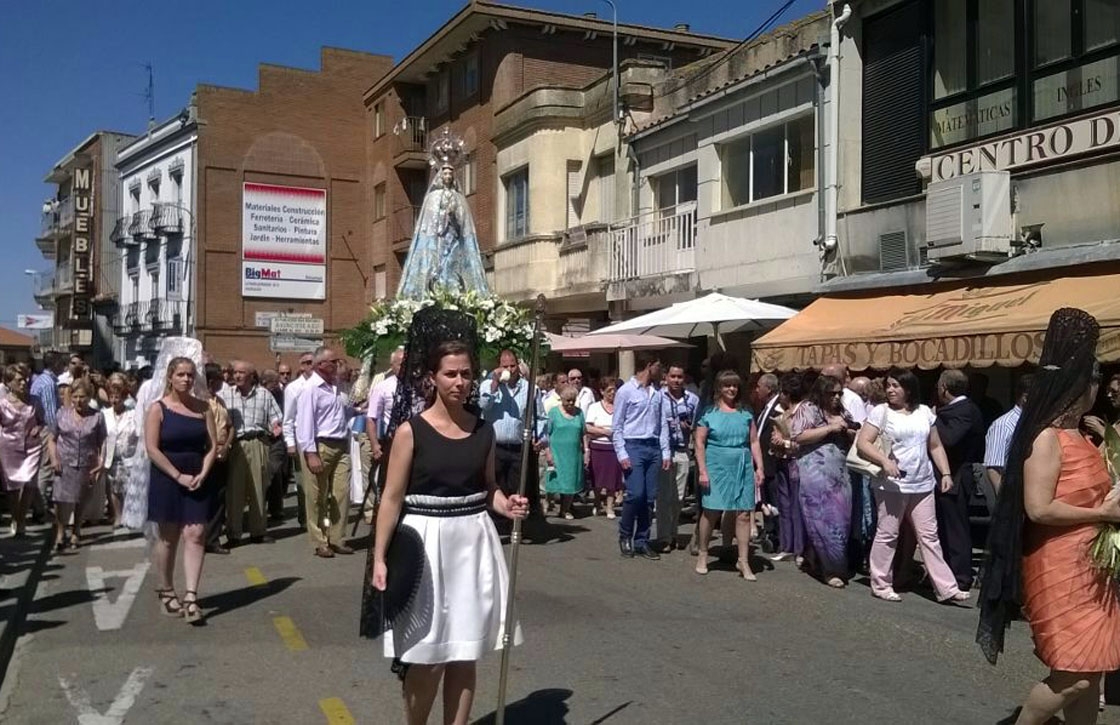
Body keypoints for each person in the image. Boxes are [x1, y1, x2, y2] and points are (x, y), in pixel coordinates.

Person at [371, 338, 527, 725]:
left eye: (466, 374)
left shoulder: (484, 431)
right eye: (451, 374)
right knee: (426, 656)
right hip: (424, 543)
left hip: (472, 543)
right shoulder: (411, 432)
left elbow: (489, 486)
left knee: (464, 651)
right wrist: (379, 556)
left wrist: (506, 504)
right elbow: (391, 498)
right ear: (433, 378)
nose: (460, 382)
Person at [978, 309, 1120, 724]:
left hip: (1092, 565)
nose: (1100, 389)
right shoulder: (1046, 438)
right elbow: (1038, 508)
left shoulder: (1082, 434)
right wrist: (1102, 511)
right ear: (1081, 385)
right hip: (1060, 565)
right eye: (1096, 381)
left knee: (1092, 671)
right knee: (1073, 675)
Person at [855, 368, 969, 604]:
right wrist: (884, 461)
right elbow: (863, 443)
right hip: (892, 485)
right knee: (888, 533)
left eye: (895, 386)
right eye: (888, 385)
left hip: (922, 482)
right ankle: (881, 583)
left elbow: (935, 446)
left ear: (908, 389)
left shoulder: (924, 412)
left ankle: (947, 588)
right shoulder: (880, 412)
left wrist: (945, 473)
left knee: (929, 536)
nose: (890, 390)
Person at [145, 357, 218, 624]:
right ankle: (165, 588)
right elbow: (152, 448)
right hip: (168, 475)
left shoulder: (204, 408)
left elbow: (212, 445)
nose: (186, 379)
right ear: (170, 377)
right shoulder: (158, 409)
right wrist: (177, 475)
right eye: (181, 375)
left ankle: (191, 596)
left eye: (190, 375)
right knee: (168, 536)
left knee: (196, 533)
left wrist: (203, 472)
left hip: (197, 475)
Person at [694, 370, 764, 579]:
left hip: (742, 465)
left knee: (743, 513)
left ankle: (743, 560)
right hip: (716, 464)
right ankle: (703, 552)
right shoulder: (709, 413)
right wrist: (703, 471)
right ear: (719, 388)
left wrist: (759, 467)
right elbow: (699, 443)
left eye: (734, 386)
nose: (731, 389)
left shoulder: (746, 413)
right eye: (727, 386)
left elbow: (753, 441)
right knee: (711, 511)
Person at [787, 375, 853, 588]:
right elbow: (797, 435)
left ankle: (816, 558)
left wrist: (848, 430)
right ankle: (830, 569)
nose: (836, 397)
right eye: (831, 393)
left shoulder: (841, 411)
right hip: (815, 475)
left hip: (840, 474)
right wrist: (829, 429)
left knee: (842, 520)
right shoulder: (809, 408)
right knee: (823, 521)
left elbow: (854, 430)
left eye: (839, 393)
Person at [296, 346, 354, 558]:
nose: (337, 364)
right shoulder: (311, 389)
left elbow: (340, 412)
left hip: (341, 444)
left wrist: (358, 409)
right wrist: (311, 453)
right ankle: (320, 540)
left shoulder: (337, 386)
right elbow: (304, 423)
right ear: (321, 365)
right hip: (320, 445)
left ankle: (337, 537)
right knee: (316, 496)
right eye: (333, 361)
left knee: (341, 493)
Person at [612, 352, 670, 560]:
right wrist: (621, 453)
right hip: (633, 445)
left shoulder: (658, 393)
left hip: (653, 446)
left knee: (649, 498)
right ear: (649, 366)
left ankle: (642, 540)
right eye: (659, 366)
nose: (661, 370)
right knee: (636, 493)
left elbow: (662, 423)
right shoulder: (626, 391)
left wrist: (666, 452)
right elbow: (617, 425)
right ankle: (625, 533)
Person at [219, 360, 282, 546]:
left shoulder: (264, 394)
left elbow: (276, 417)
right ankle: (234, 534)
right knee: (234, 490)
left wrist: (275, 427)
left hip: (257, 441)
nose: (237, 376)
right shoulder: (226, 394)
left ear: (251, 375)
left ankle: (258, 532)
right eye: (235, 372)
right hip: (235, 444)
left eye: (241, 372)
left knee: (258, 487)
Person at [933, 369, 986, 592]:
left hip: (956, 476)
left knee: (956, 529)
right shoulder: (961, 409)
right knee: (945, 527)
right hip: (950, 477)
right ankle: (946, 572)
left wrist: (934, 419)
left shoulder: (964, 411)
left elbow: (950, 439)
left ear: (944, 388)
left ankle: (960, 576)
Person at [479, 350, 543, 520]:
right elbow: (484, 406)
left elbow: (540, 416)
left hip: (518, 446)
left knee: (517, 486)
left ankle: (514, 521)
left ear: (518, 365)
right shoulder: (488, 385)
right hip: (494, 446)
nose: (509, 369)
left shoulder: (530, 389)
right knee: (494, 485)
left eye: (512, 365)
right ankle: (495, 522)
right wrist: (495, 383)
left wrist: (541, 437)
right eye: (504, 366)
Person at [46, 379, 105, 551]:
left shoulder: (97, 416)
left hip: (86, 463)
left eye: (83, 397)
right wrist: (54, 459)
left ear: (89, 398)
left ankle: (76, 530)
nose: (79, 401)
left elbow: (102, 442)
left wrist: (100, 462)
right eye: (76, 397)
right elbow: (52, 439)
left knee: (81, 499)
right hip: (64, 463)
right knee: (60, 500)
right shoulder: (61, 414)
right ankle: (60, 531)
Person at [0, 365, 45, 537]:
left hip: (32, 447)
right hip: (9, 448)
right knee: (12, 487)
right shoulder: (2, 403)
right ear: (9, 383)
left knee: (29, 484)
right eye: (18, 380)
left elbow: (42, 420)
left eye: (25, 378)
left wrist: (38, 429)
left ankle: (22, 520)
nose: (23, 383)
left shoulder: (34, 400)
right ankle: (15, 518)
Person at [658, 364, 699, 552]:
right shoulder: (658, 397)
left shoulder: (692, 399)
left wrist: (689, 427)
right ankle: (664, 537)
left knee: (679, 497)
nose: (676, 380)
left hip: (682, 450)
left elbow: (698, 426)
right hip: (663, 452)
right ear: (666, 377)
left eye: (679, 377)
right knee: (664, 496)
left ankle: (673, 533)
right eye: (673, 376)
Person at [769, 373, 807, 563]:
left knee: (796, 506)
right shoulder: (781, 413)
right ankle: (787, 546)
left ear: (787, 393)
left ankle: (800, 549)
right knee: (784, 504)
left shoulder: (804, 412)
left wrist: (783, 442)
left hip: (797, 462)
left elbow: (802, 442)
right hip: (781, 462)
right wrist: (775, 442)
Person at [29, 351, 66, 522]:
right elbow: (51, 413)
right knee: (45, 468)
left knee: (40, 469)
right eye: (61, 362)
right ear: (55, 364)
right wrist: (55, 433)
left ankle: (38, 506)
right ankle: (40, 509)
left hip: (38, 427)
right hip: (46, 429)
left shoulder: (39, 380)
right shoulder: (49, 384)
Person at [984, 374, 1033, 496]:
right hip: (1012, 494)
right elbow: (994, 467)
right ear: (1025, 398)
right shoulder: (1003, 425)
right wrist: (1004, 499)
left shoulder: (1034, 422)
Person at [201, 363, 233, 554]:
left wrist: (227, 445)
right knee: (206, 497)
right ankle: (202, 537)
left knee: (219, 497)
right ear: (212, 381)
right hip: (207, 453)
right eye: (221, 379)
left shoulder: (220, 401)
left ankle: (213, 539)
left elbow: (230, 426)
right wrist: (213, 449)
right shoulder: (201, 401)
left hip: (222, 451)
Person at [101, 375, 140, 529]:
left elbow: (138, 434)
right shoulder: (104, 414)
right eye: (111, 396)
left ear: (124, 397)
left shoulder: (133, 413)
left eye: (118, 397)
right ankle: (118, 516)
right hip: (112, 457)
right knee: (114, 488)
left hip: (129, 457)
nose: (114, 400)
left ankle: (132, 517)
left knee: (130, 489)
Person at [544, 385, 587, 520]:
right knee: (553, 481)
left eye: (573, 400)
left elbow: (583, 433)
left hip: (573, 454)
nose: (570, 403)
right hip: (557, 452)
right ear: (561, 399)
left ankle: (565, 509)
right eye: (568, 400)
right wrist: (548, 452)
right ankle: (547, 502)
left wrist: (586, 450)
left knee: (570, 482)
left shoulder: (579, 413)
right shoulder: (553, 413)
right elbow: (546, 434)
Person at [282, 351, 316, 527]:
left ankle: (318, 517)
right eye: (308, 362)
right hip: (301, 437)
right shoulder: (294, 388)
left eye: (314, 362)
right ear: (302, 365)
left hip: (319, 437)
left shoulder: (323, 385)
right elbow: (288, 418)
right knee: (303, 482)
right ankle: (305, 518)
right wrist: (290, 443)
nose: (311, 365)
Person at [753, 373, 783, 554]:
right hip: (763, 464)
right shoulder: (765, 408)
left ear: (768, 389)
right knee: (766, 503)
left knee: (774, 501)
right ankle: (769, 533)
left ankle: (777, 536)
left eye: (759, 386)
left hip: (773, 463)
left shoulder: (778, 408)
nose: (756, 390)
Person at [585, 377, 622, 519]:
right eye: (609, 390)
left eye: (614, 390)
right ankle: (596, 503)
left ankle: (610, 507)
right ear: (601, 391)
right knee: (598, 480)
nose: (612, 393)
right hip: (598, 448)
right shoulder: (594, 407)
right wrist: (605, 431)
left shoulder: (620, 407)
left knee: (613, 480)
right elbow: (588, 427)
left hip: (614, 448)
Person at [260, 369, 288, 525]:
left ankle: (275, 508)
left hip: (277, 438)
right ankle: (264, 508)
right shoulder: (259, 394)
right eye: (274, 382)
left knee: (273, 472)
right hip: (263, 437)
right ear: (265, 383)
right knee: (269, 474)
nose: (277, 385)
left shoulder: (280, 395)